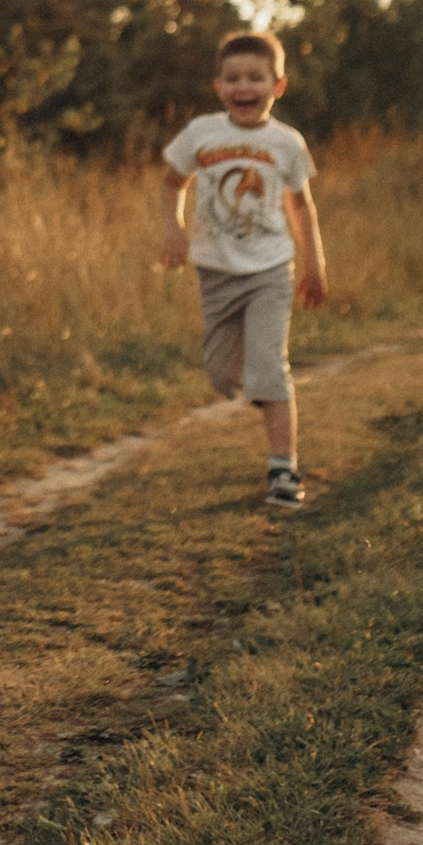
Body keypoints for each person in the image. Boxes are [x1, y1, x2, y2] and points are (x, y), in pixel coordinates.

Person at [157, 30, 328, 509]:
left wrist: (314, 262)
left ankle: (283, 470)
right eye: (233, 78)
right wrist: (172, 227)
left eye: (255, 77)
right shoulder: (202, 134)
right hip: (215, 271)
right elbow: (172, 183)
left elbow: (302, 207)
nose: (243, 87)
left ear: (278, 85)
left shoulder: (286, 143)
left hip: (271, 268)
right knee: (221, 375)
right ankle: (263, 390)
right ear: (218, 87)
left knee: (270, 369)